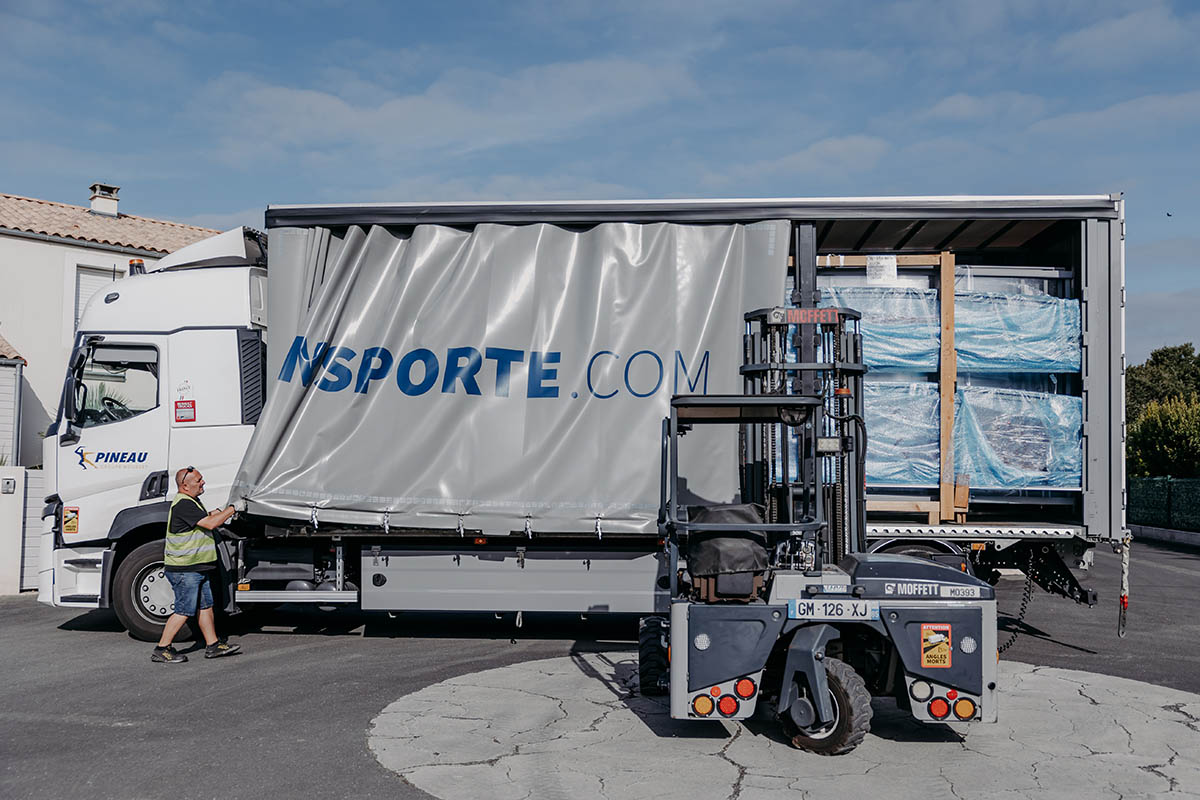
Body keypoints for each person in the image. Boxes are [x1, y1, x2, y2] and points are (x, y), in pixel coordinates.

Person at [151, 466, 242, 663]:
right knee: (184, 610)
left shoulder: (191, 502)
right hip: (185, 570)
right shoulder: (184, 504)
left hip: (196, 567)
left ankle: (213, 645)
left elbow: (204, 518)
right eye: (198, 480)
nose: (203, 483)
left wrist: (222, 509)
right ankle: (162, 649)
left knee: (205, 606)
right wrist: (233, 509)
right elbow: (210, 524)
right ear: (184, 485)